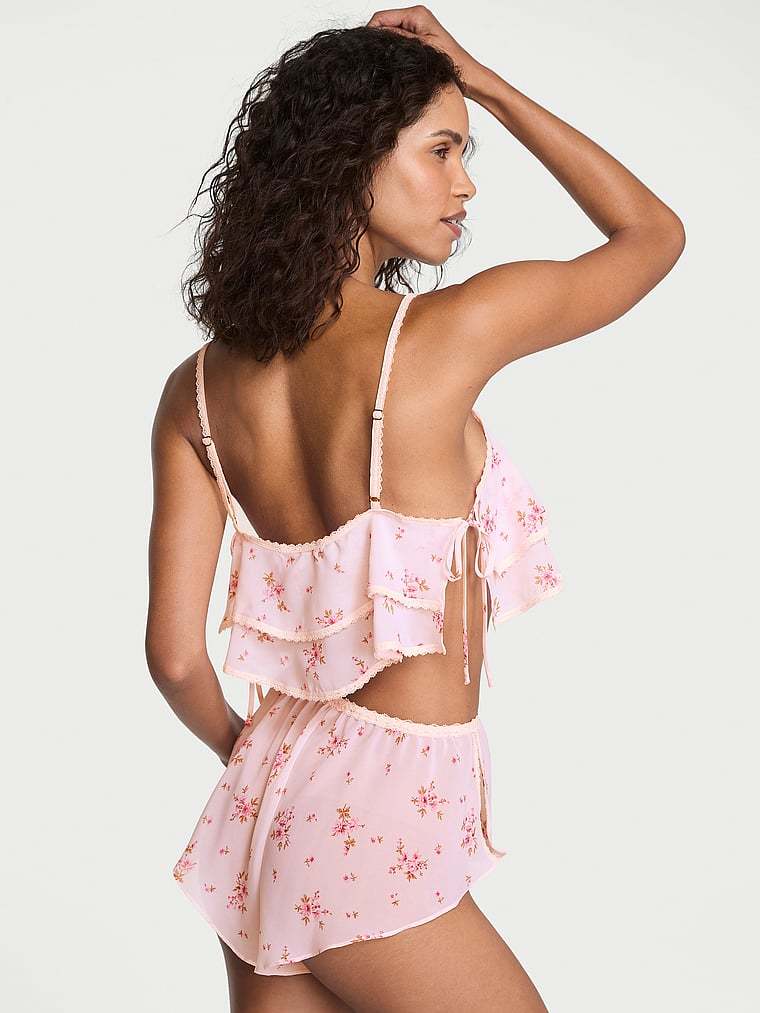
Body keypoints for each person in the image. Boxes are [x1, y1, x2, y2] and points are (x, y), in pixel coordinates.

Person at [146, 7, 685, 1011]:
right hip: (380, 818)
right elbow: (652, 236)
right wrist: (485, 80)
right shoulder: (445, 332)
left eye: (465, 151)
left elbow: (175, 658)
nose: (465, 183)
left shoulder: (199, 392)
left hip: (262, 806)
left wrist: (254, 759)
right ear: (349, 160)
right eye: (441, 150)